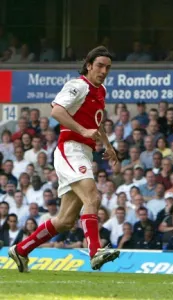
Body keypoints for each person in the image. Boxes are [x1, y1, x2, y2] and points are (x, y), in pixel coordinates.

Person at [9, 46, 120, 273]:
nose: (103, 70)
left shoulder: (101, 91)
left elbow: (96, 123)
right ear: (89, 65)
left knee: (66, 220)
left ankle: (21, 250)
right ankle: (95, 252)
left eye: (107, 67)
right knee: (92, 196)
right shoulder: (77, 85)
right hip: (70, 148)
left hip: (84, 152)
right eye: (99, 65)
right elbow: (57, 111)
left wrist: (108, 146)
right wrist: (82, 130)